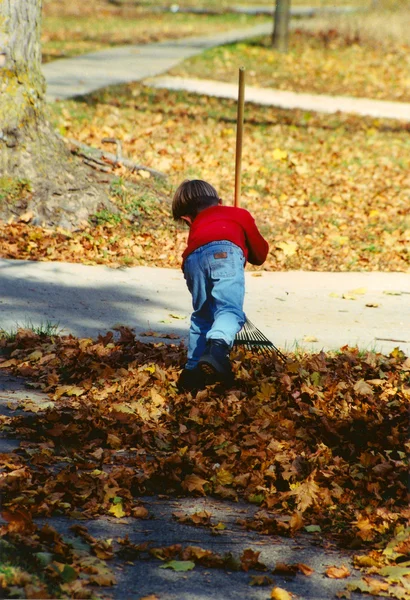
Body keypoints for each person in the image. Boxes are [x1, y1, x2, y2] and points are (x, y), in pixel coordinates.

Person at [172, 179, 269, 392]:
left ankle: (191, 372)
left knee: (202, 315)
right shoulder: (238, 214)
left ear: (186, 219)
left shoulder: (196, 227)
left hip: (191, 261)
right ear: (220, 201)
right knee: (229, 310)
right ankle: (217, 349)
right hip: (224, 254)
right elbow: (260, 254)